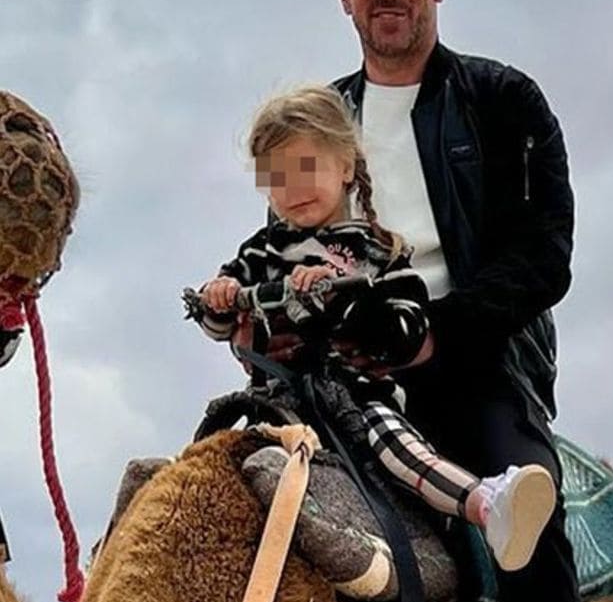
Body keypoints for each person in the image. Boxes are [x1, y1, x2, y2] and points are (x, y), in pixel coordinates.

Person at [320, 0, 607, 602]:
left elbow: (545, 256)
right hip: (343, 380)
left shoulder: (502, 100)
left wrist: (433, 338)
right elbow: (290, 240)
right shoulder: (323, 123)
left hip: (473, 369)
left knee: (528, 515)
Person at [197, 85, 557, 575]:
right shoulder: (259, 254)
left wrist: (347, 299)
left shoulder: (379, 252)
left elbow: (407, 323)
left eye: (306, 167)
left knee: (392, 442)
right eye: (276, 177)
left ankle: (487, 504)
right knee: (196, 473)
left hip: (353, 398)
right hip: (275, 403)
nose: (292, 187)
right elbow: (221, 323)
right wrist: (217, 300)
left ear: (345, 166)